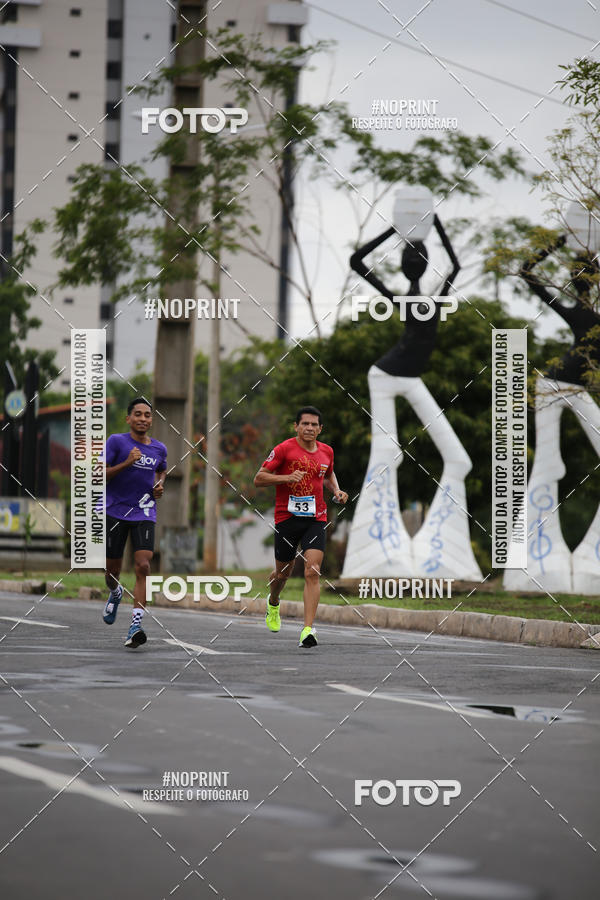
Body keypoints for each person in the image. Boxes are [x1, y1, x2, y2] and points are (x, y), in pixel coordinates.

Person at [254, 406, 348, 647]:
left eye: (314, 425)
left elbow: (327, 475)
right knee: (283, 574)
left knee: (312, 570)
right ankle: (273, 602)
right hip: (287, 519)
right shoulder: (284, 449)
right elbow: (259, 478)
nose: (309, 428)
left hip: (316, 519)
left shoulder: (327, 451)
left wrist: (336, 490)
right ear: (296, 426)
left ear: (320, 429)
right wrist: (286, 478)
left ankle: (308, 630)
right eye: (305, 424)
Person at [101, 398, 167, 647]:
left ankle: (135, 625)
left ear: (151, 420)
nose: (143, 418)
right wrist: (128, 462)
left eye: (147, 415)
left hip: (144, 511)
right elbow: (101, 474)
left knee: (143, 565)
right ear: (128, 419)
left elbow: (161, 470)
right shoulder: (116, 442)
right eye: (137, 414)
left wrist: (159, 486)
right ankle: (115, 592)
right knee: (112, 572)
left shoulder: (159, 448)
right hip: (116, 511)